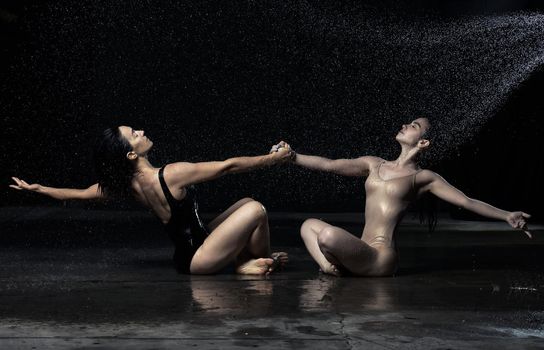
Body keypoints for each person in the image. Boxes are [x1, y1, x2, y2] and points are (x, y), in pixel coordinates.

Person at [10, 126, 291, 275]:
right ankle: (252, 263)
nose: (141, 132)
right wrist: (274, 159)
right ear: (132, 155)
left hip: (192, 252)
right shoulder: (172, 174)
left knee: (245, 203)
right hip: (200, 259)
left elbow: (79, 194)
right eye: (135, 135)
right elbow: (228, 166)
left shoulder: (128, 186)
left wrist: (39, 189)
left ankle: (246, 261)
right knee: (256, 209)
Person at [273, 117, 531, 277]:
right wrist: (292, 156)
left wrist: (506, 215)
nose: (405, 125)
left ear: (423, 142)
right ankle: (330, 268)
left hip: (379, 257)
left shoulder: (423, 178)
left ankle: (335, 267)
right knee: (308, 225)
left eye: (414, 126)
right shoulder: (374, 163)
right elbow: (330, 164)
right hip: (359, 249)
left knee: (328, 235)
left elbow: (467, 201)